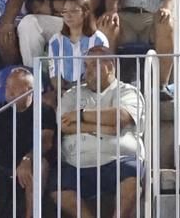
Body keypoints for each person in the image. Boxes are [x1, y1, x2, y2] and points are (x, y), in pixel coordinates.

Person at [55, 46, 145, 216]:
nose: (87, 72)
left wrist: (79, 115)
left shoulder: (127, 91)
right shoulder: (72, 94)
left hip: (118, 159)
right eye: (86, 66)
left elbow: (119, 117)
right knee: (56, 185)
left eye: (93, 66)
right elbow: (64, 124)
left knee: (132, 176)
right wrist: (106, 128)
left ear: (110, 66)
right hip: (78, 162)